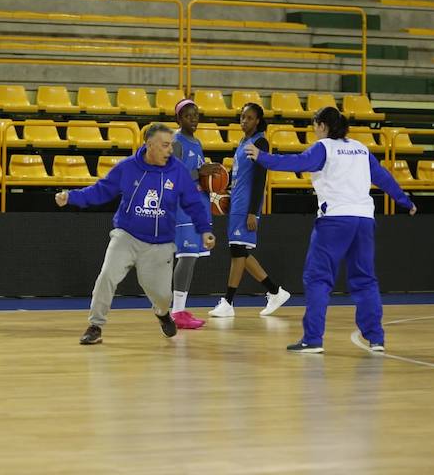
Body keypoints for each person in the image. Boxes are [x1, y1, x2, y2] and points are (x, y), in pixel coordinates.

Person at [245, 106, 417, 354]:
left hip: (335, 220)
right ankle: (376, 338)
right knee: (365, 279)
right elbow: (383, 177)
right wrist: (405, 201)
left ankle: (313, 339)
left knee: (318, 278)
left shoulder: (324, 147)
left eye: (315, 126)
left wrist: (262, 157)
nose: (315, 131)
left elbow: (297, 162)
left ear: (323, 126)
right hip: (364, 220)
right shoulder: (360, 148)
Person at [55, 124, 216, 345]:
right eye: (165, 145)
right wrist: (71, 197)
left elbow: (192, 201)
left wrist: (204, 229)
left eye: (171, 145)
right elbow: (101, 190)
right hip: (127, 236)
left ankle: (162, 313)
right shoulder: (128, 167)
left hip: (160, 244)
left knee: (162, 295)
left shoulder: (177, 171)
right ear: (149, 145)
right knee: (107, 276)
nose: (170, 150)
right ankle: (95, 326)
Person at [208, 103, 290, 319]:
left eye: (249, 118)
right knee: (240, 251)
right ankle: (275, 291)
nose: (244, 121)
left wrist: (253, 211)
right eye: (242, 117)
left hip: (247, 205)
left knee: (238, 251)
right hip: (237, 202)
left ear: (258, 120)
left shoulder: (260, 141)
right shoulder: (244, 141)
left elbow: (260, 178)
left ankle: (228, 301)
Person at [170, 99, 225, 329]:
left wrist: (210, 182)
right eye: (188, 116)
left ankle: (179, 309)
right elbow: (171, 176)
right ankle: (175, 312)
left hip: (197, 204)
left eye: (196, 115)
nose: (193, 119)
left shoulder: (197, 142)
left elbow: (196, 177)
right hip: (182, 207)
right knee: (186, 257)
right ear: (178, 119)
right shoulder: (176, 142)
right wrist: (198, 172)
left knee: (191, 260)